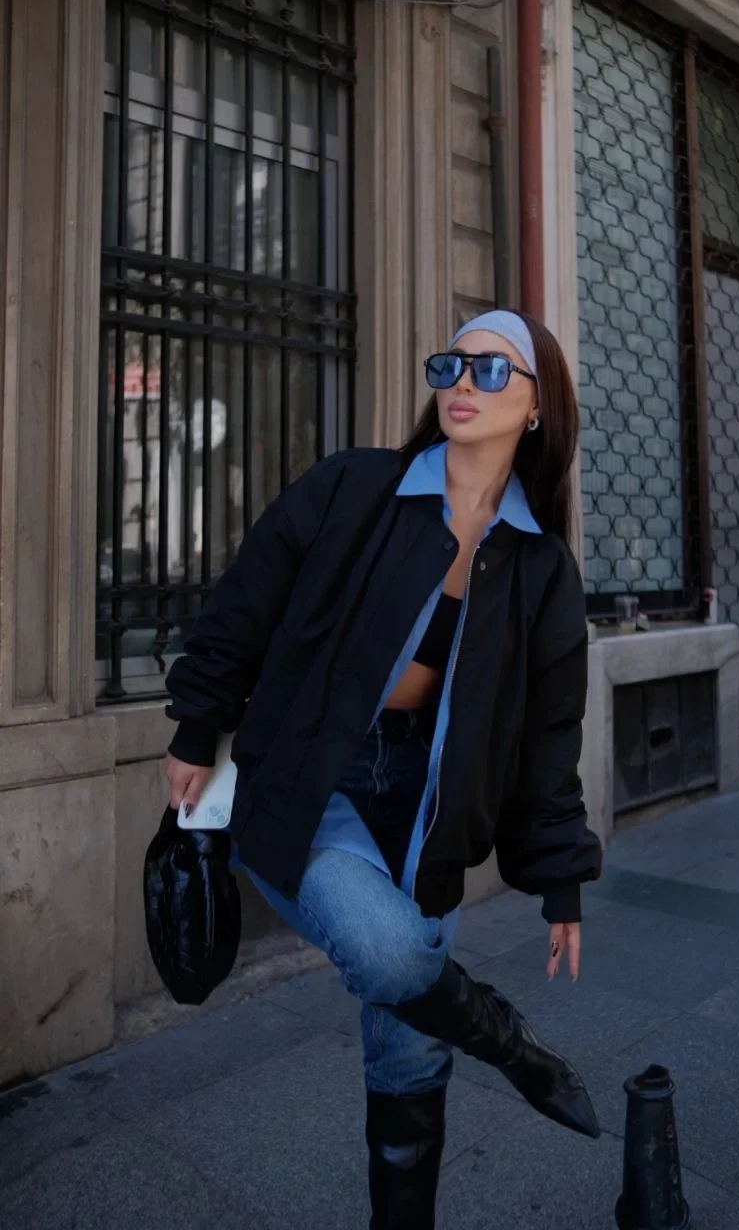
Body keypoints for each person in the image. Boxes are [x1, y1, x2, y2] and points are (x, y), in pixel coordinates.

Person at [163, 309, 603, 1228]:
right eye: (452, 365)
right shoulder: (354, 488)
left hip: (427, 800)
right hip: (313, 772)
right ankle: (512, 1045)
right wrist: (198, 726)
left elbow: (547, 737)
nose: (462, 383)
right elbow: (245, 600)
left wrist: (558, 874)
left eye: (491, 370)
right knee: (390, 951)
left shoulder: (541, 568)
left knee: (408, 1049)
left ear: (537, 407)